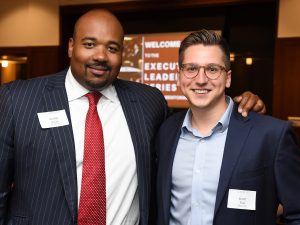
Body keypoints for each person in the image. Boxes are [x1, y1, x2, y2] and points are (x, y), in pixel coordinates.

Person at [0, 9, 265, 225]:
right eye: (89, 44)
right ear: (71, 47)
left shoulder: (148, 102)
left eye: (112, 48)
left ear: (123, 54)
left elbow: (196, 123)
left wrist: (241, 107)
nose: (101, 56)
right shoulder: (18, 100)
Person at [155, 29, 300, 225]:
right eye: (191, 68)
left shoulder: (271, 135)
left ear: (228, 78)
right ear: (179, 75)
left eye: (212, 69)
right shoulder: (166, 131)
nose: (200, 79)